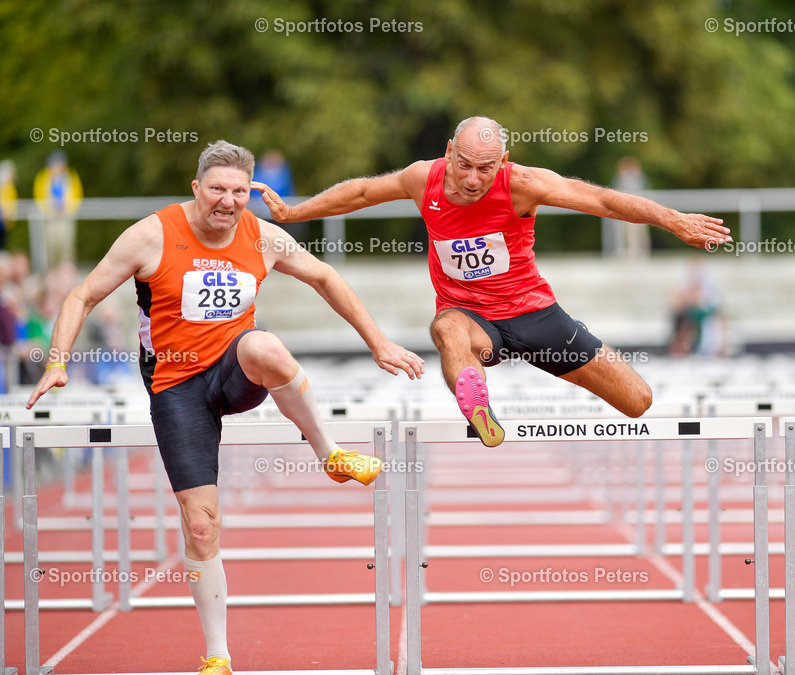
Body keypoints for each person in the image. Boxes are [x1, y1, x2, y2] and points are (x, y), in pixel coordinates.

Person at [27, 140, 424, 675]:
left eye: (240, 192)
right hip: (176, 387)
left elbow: (327, 277)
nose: (228, 202)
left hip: (235, 371)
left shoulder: (262, 236)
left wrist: (378, 342)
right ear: (196, 188)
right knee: (201, 527)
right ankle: (218, 655)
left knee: (267, 346)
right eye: (218, 189)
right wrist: (56, 361)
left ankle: (330, 454)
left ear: (250, 194)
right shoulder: (152, 234)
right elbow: (81, 295)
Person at [255, 116, 730, 447]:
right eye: (464, 163)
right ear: (449, 153)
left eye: (486, 167)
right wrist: (296, 211)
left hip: (536, 314)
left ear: (504, 160)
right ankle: (476, 403)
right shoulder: (423, 179)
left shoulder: (522, 183)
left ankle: (523, 361)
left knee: (638, 402)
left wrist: (674, 220)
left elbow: (604, 201)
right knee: (446, 329)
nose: (473, 178)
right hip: (473, 318)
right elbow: (358, 193)